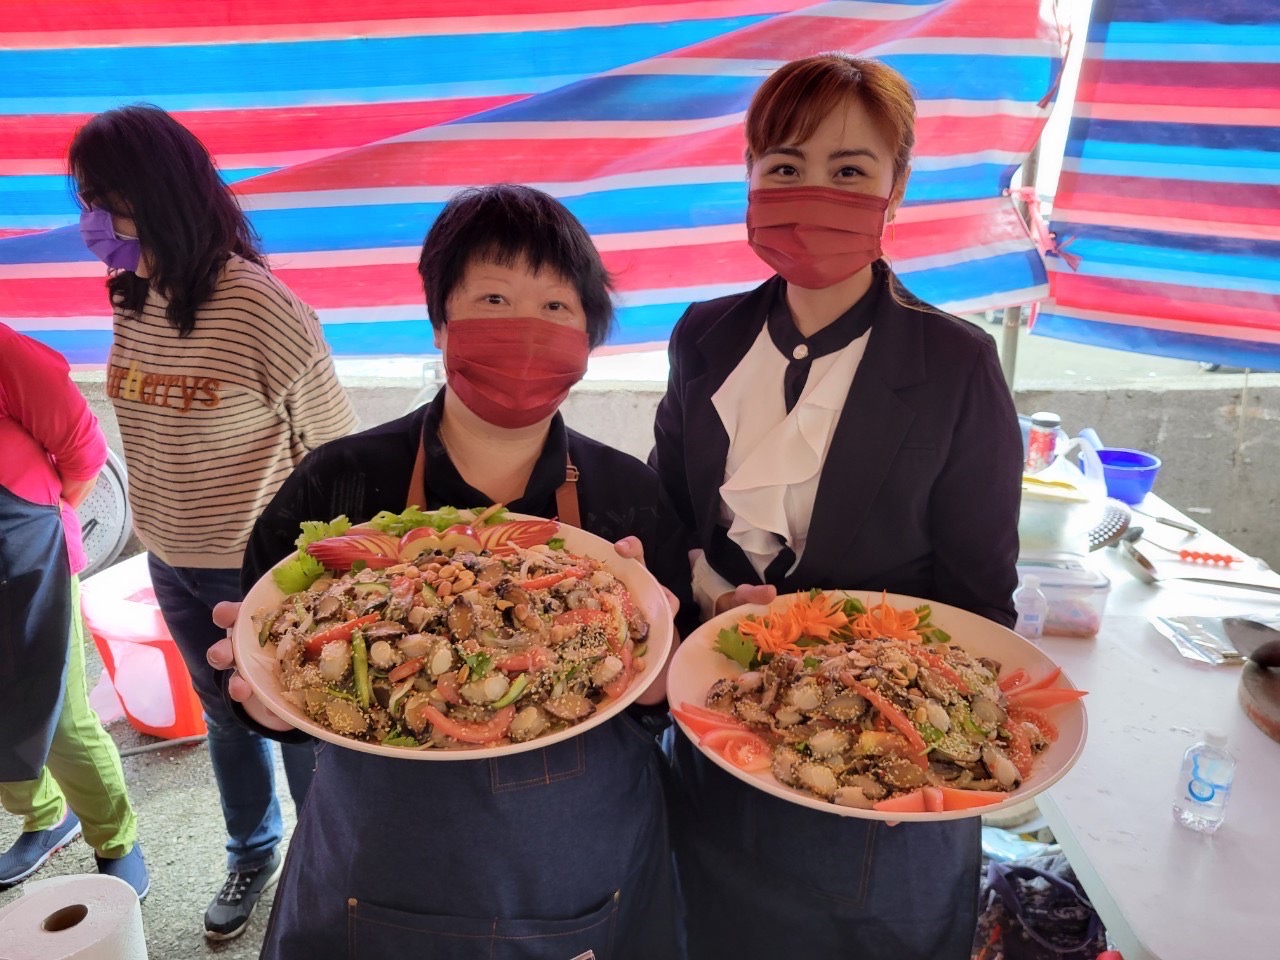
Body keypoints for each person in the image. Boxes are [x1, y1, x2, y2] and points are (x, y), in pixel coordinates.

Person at [206, 183, 692, 959]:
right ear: (441, 322)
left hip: (579, 861)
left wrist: (663, 674)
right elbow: (268, 676)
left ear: (590, 336)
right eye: (493, 299)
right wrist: (261, 701)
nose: (524, 330)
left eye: (556, 308)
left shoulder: (627, 494)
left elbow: (654, 700)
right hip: (385, 857)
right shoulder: (340, 483)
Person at [650, 54, 1023, 958]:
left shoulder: (956, 363)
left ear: (895, 189)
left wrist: (887, 718)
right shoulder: (706, 334)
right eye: (784, 166)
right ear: (748, 177)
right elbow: (669, 518)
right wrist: (702, 597)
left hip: (878, 775)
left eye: (849, 170)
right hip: (717, 732)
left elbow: (981, 604)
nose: (811, 191)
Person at [67, 105, 358, 939]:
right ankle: (252, 850)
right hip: (172, 562)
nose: (91, 223)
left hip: (256, 571)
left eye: (105, 200)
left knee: (299, 724)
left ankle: (328, 867)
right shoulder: (135, 296)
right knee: (224, 717)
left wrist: (309, 576)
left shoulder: (261, 307)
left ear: (160, 194)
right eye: (86, 198)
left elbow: (333, 455)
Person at [0, 324, 148, 897]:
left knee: (57, 713)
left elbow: (84, 454)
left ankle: (115, 840)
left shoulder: (8, 354)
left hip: (24, 555)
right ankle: (44, 816)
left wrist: (46, 519)